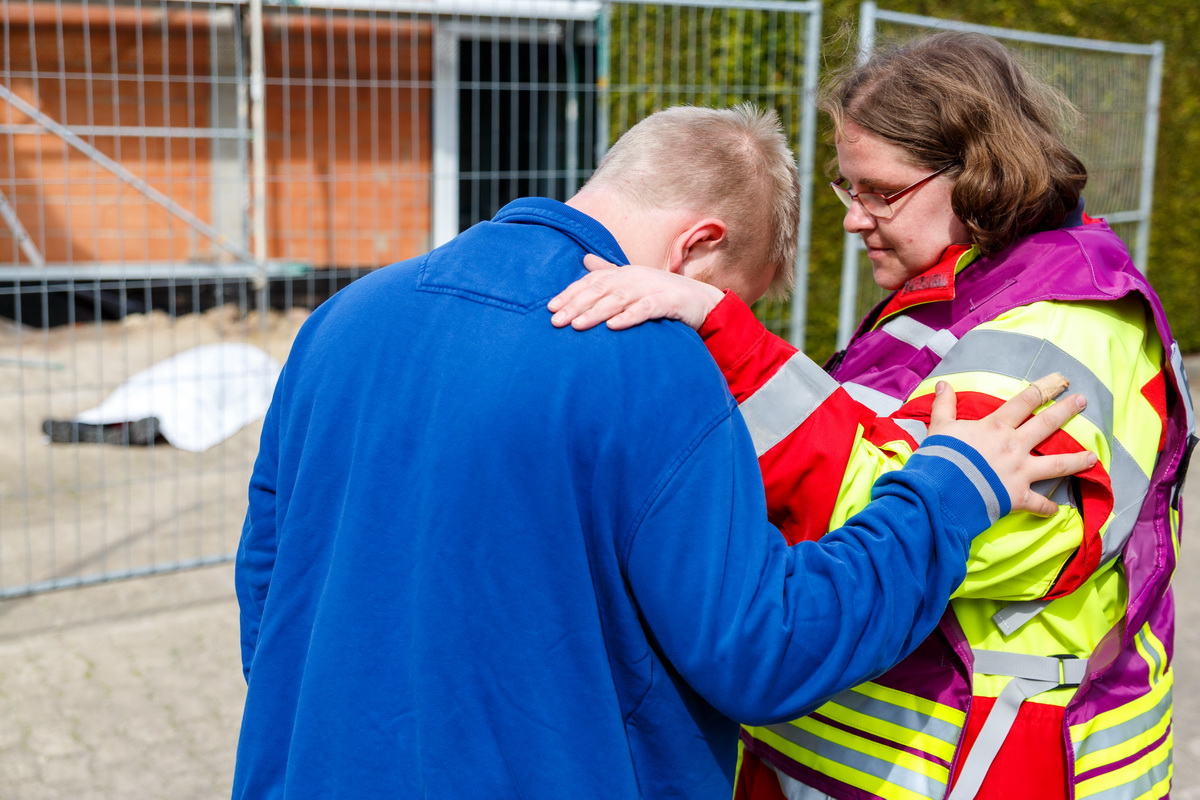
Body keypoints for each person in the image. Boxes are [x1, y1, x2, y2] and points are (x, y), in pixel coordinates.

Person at [233, 103, 1094, 800]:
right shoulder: (650, 355)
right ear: (697, 246)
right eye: (716, 299)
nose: (707, 326)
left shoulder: (345, 318)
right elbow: (764, 648)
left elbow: (269, 586)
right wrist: (948, 490)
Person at [549, 34, 1195, 800]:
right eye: (846, 187)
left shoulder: (1058, 326)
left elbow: (926, 524)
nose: (855, 220)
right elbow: (889, 458)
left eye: (879, 191)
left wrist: (732, 340)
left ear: (977, 172)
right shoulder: (961, 291)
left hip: (993, 763)